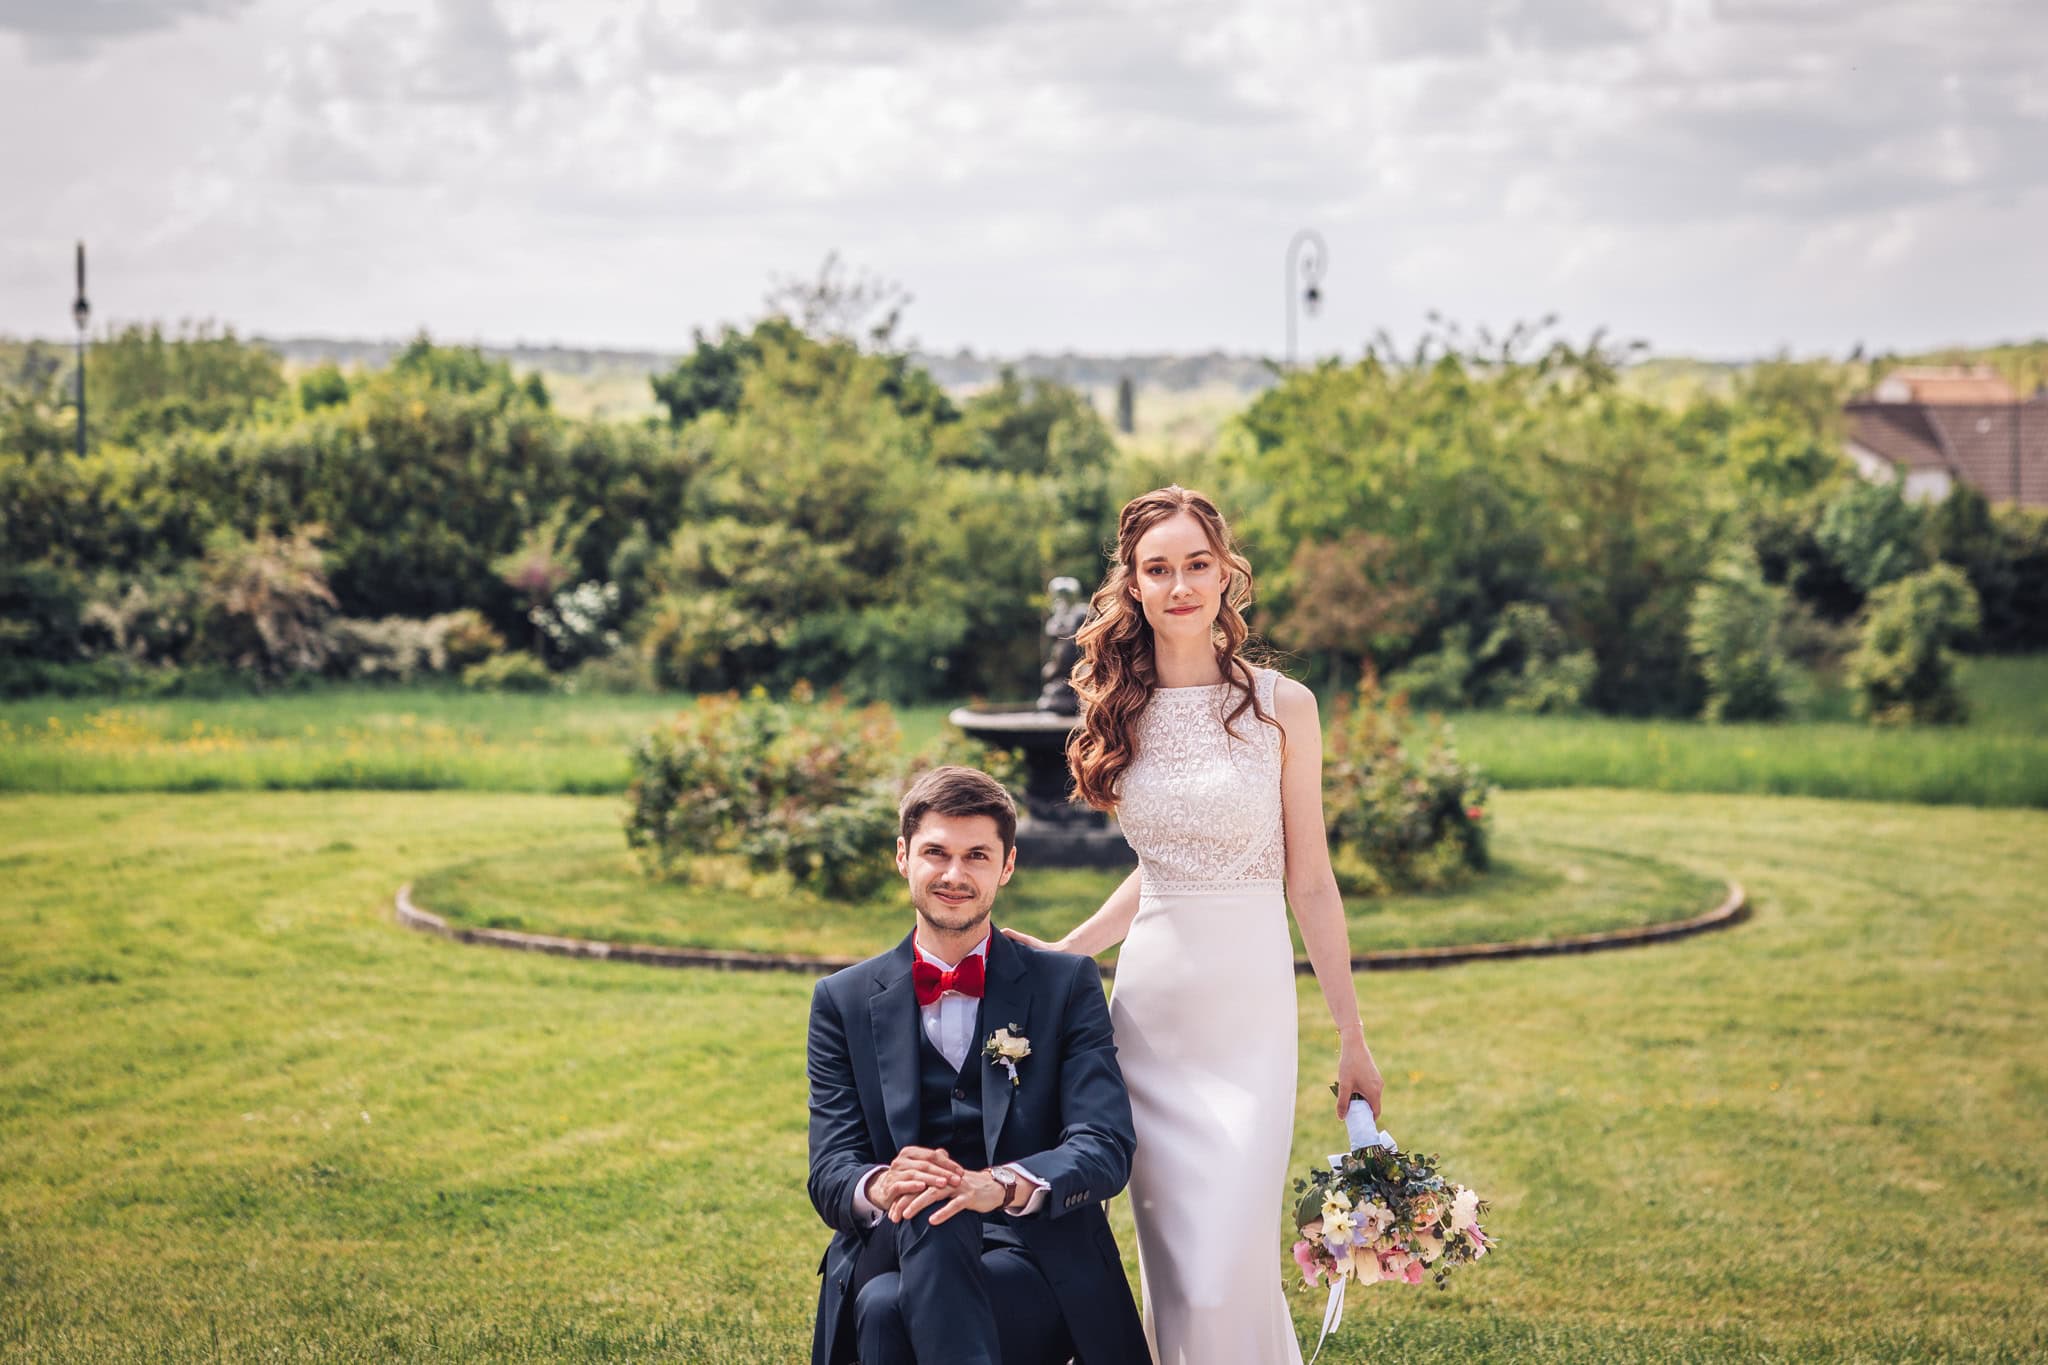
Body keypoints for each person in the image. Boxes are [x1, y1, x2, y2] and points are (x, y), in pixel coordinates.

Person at [1004, 486, 1386, 1365]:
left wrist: (1352, 1035)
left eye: (1196, 564)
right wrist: (1068, 950)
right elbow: (1162, 866)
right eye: (1158, 569)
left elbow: (1310, 880)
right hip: (1151, 1018)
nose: (1179, 585)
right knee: (1179, 1272)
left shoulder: (1283, 705)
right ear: (1133, 585)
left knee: (1227, 1266)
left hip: (1249, 1014)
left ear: (1225, 573)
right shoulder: (1119, 706)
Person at [806, 765, 1150, 1365]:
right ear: (903, 857)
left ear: (1007, 865)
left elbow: (1104, 1146)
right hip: (894, 1240)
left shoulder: (1064, 984)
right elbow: (831, 1167)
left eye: (977, 856)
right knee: (930, 1210)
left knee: (884, 1309)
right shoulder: (842, 999)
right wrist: (886, 1185)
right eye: (936, 853)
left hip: (1031, 1249)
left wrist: (998, 1185)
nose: (954, 875)